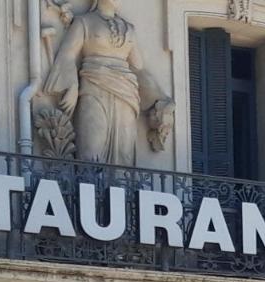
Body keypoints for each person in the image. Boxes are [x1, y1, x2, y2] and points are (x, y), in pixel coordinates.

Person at [42, 0, 171, 165]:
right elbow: (67, 54)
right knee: (91, 149)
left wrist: (161, 102)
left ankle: (121, 189)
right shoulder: (84, 22)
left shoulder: (129, 29)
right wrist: (72, 86)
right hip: (92, 88)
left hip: (126, 94)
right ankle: (90, 189)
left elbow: (139, 69)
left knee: (123, 153)